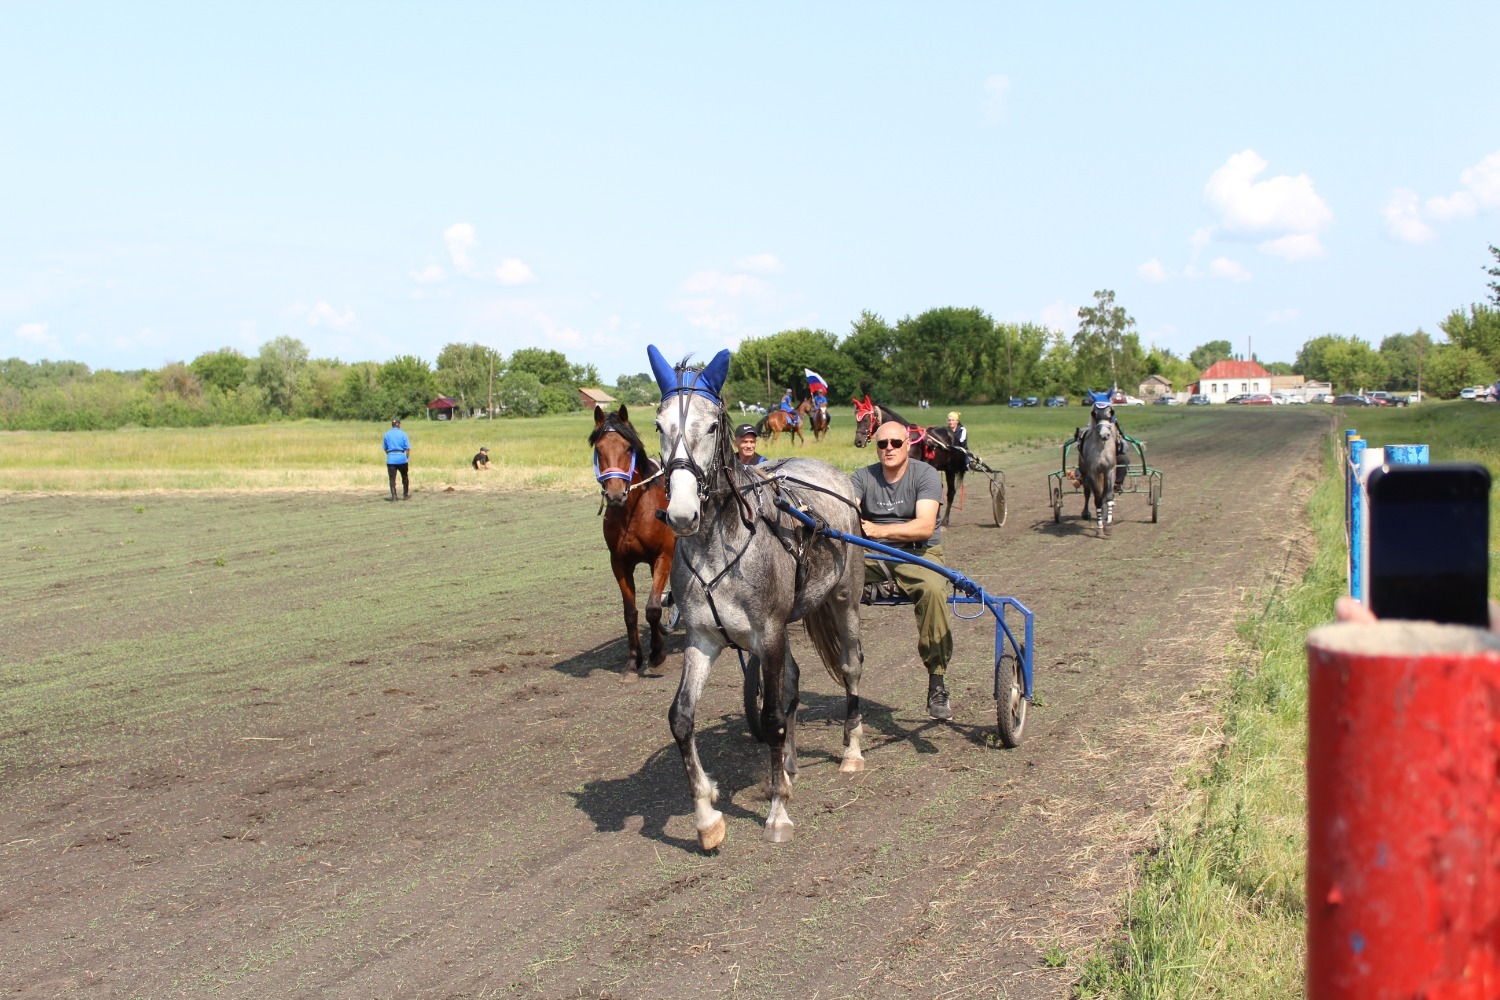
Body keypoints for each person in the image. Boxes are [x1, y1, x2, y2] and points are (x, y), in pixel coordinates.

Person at [851, 419, 954, 720]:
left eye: (896, 443)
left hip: (918, 553)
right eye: (883, 444)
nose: (889, 448)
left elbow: (924, 527)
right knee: (829, 578)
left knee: (933, 590)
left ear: (908, 445)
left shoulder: (926, 474)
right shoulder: (862, 476)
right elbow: (847, 511)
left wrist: (879, 531)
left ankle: (937, 682)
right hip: (872, 554)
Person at [383, 418, 411, 500]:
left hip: (391, 459)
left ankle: (394, 496)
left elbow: (385, 448)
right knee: (405, 477)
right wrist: (406, 457)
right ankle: (405, 495)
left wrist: (389, 454)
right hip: (401, 458)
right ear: (399, 425)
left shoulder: (387, 434)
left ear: (392, 425)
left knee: (392, 479)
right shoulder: (403, 434)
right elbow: (407, 448)